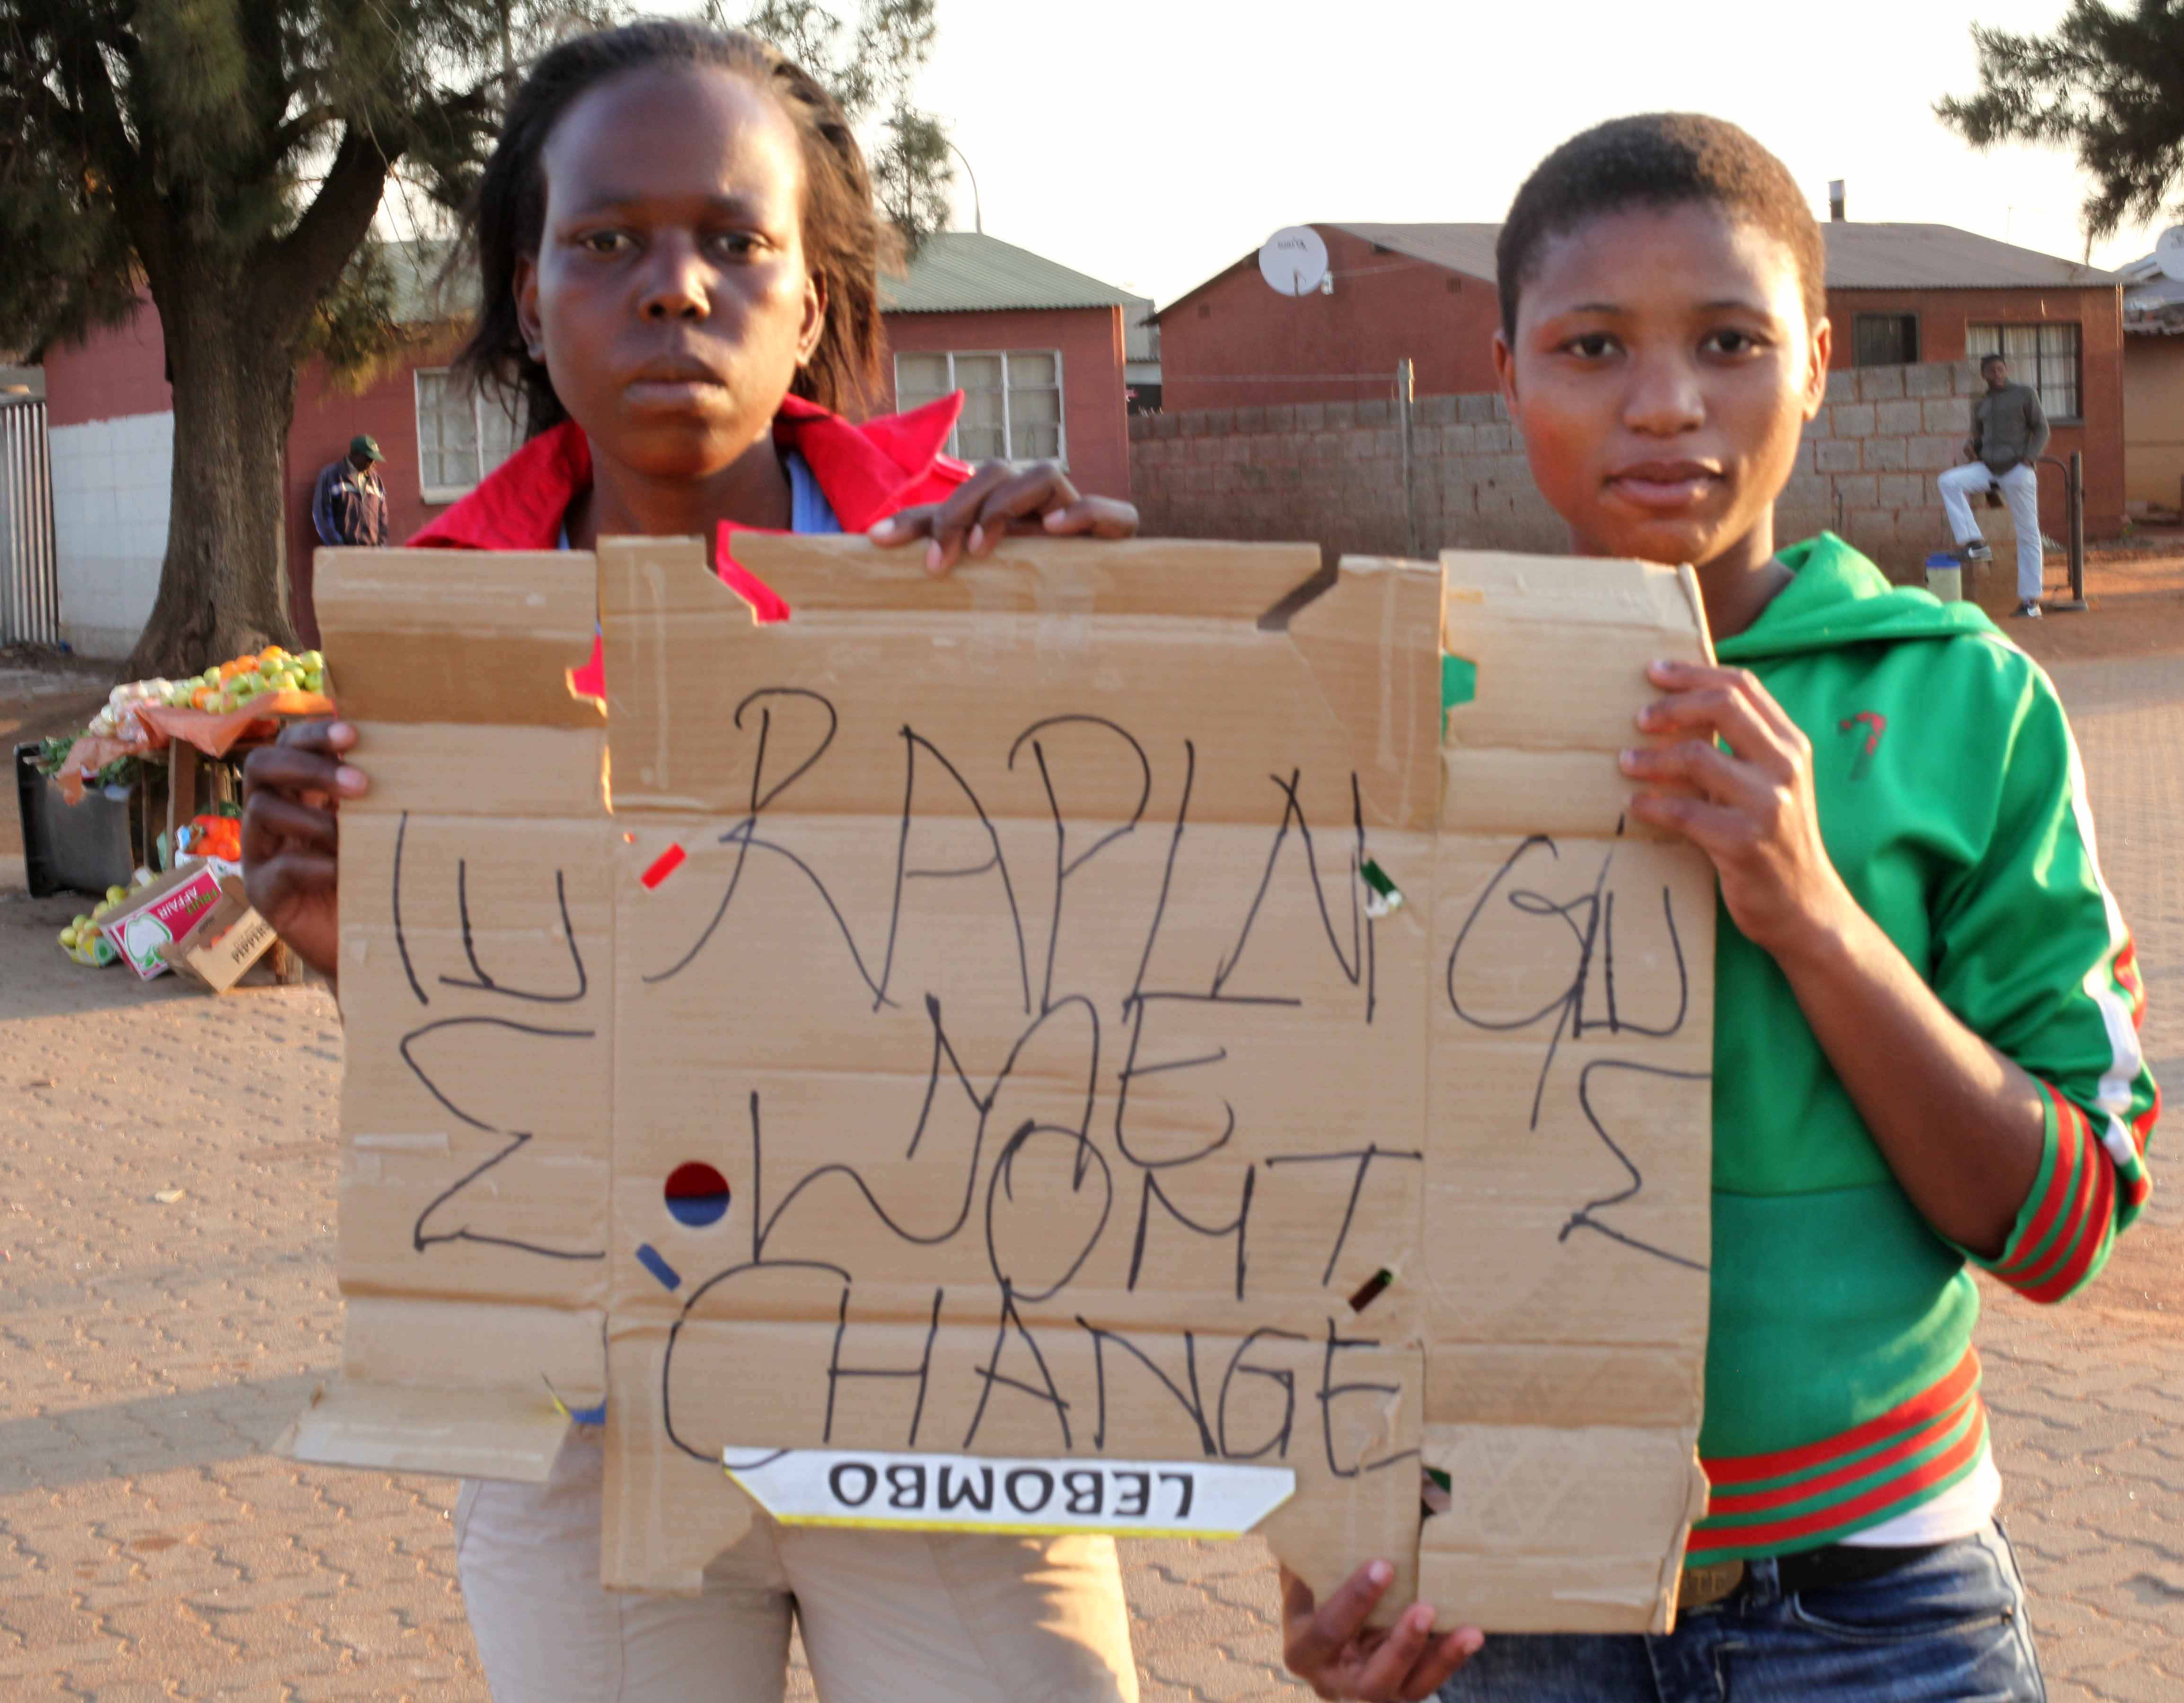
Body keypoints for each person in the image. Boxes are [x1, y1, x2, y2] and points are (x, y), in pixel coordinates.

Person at [241, 23, 1140, 1703]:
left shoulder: (984, 576)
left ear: (809, 302)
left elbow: (1170, 968)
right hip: (588, 1420)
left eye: (734, 239)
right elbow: (486, 1055)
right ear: (529, 297)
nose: (673, 286)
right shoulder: (436, 634)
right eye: (607, 242)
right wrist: (357, 941)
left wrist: (1144, 670)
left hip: (952, 1397)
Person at [1282, 114, 2157, 1703]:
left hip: (1877, 1604)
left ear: (1815, 361)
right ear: (1507, 374)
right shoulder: (1386, 703)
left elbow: (2065, 1224)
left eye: (1730, 342)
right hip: (1498, 1594)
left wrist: (1812, 913)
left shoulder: (1967, 705)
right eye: (1592, 346)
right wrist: (1326, 1557)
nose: (1665, 401)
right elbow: (1263, 1165)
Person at [1937, 354, 2050, 618]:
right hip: (1989, 469)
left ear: (2006, 370)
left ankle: (2031, 602)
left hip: (2018, 470)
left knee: (2028, 533)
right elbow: (1983, 437)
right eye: (1991, 371)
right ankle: (1975, 542)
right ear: (1984, 375)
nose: (1997, 374)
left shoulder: (2024, 394)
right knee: (1949, 481)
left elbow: (2042, 429)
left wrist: (2029, 458)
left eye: (2000, 369)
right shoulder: (1983, 404)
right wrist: (1974, 447)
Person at [311, 434, 389, 547]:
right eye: (369, 459)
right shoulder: (331, 476)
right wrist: (338, 547)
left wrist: (381, 546)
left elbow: (383, 518)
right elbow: (322, 516)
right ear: (355, 455)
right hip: (344, 552)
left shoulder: (375, 480)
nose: (373, 463)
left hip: (372, 552)